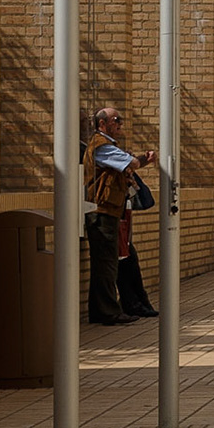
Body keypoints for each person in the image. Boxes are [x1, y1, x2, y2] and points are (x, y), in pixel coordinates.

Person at [84, 107, 156, 325]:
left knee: (118, 260)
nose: (120, 125)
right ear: (102, 124)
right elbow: (131, 163)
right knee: (106, 264)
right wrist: (146, 158)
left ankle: (121, 305)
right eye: (116, 120)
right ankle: (107, 312)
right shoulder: (101, 146)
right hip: (102, 212)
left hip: (111, 211)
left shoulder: (107, 145)